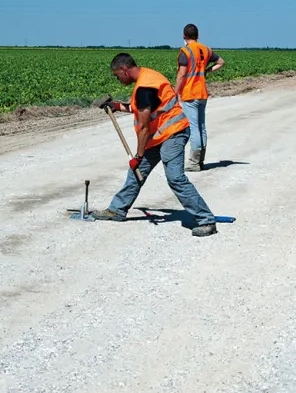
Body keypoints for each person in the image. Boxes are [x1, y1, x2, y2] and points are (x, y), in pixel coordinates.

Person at [94, 52, 218, 237]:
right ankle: (117, 210)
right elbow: (145, 107)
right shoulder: (148, 77)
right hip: (160, 134)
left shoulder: (145, 87)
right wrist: (118, 106)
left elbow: (143, 127)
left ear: (124, 70)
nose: (117, 79)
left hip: (173, 133)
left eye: (117, 75)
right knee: (137, 173)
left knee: (175, 178)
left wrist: (138, 156)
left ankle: (206, 220)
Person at [173, 23, 225, 172]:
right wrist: (206, 71)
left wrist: (175, 92)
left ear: (184, 36)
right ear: (197, 35)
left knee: (194, 127)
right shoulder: (206, 49)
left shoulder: (186, 51)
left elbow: (182, 74)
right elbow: (221, 62)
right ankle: (200, 160)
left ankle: (194, 163)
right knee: (201, 127)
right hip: (202, 92)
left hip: (190, 93)